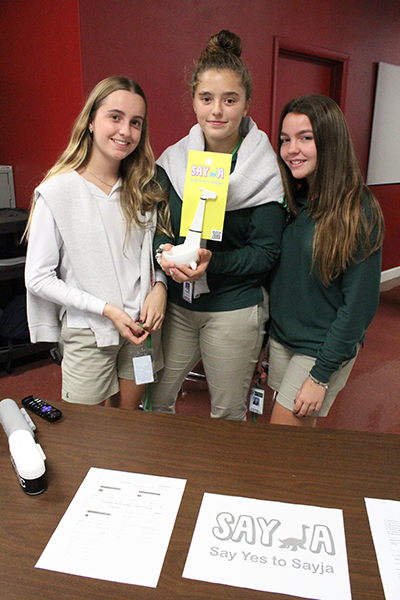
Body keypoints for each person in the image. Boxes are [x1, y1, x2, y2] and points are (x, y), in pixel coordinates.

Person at [152, 30, 286, 420]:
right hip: (178, 305)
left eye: (230, 100)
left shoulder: (264, 171)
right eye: (206, 98)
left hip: (233, 308)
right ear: (193, 101)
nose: (217, 111)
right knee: (156, 402)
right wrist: (164, 253)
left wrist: (216, 263)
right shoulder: (173, 163)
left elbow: (266, 253)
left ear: (246, 104)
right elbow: (158, 224)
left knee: (227, 415)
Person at [25, 76, 167, 409]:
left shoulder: (142, 188)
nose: (125, 131)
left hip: (139, 331)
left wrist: (159, 286)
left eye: (135, 123)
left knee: (130, 426)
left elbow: (150, 257)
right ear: (91, 121)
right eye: (114, 117)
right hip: (89, 331)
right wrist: (105, 310)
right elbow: (38, 278)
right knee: (86, 435)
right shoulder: (58, 191)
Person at [267, 94, 384, 426]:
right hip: (282, 339)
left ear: (330, 141)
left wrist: (320, 376)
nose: (291, 150)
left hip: (320, 348)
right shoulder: (296, 198)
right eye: (285, 140)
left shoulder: (357, 210)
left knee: (282, 442)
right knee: (283, 442)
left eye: (306, 138)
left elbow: (359, 306)